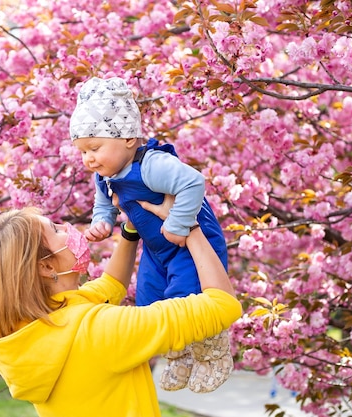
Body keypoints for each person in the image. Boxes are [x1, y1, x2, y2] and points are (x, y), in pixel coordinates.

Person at [0, 197, 242, 417]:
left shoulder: (30, 330)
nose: (67, 228)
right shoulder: (99, 330)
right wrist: (189, 226)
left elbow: (111, 285)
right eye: (56, 230)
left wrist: (130, 229)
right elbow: (222, 304)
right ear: (47, 266)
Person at [69, 76, 233, 392]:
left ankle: (213, 354)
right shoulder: (105, 176)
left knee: (189, 298)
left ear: (129, 138)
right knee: (150, 301)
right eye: (82, 152)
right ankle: (180, 355)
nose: (88, 158)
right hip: (156, 247)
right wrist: (102, 221)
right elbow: (104, 204)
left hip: (189, 244)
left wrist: (178, 224)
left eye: (94, 147)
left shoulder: (151, 165)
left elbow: (193, 182)